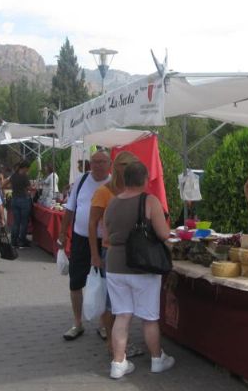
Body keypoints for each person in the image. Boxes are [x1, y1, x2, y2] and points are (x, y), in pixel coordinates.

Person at [103, 161, 174, 379]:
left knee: (122, 315)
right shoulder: (149, 201)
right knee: (149, 317)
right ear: (144, 180)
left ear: (124, 180)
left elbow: (106, 238)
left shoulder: (112, 203)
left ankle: (118, 362)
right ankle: (156, 359)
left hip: (115, 264)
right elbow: (163, 234)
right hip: (142, 264)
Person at [89, 151, 141, 356]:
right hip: (110, 251)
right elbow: (92, 224)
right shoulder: (105, 191)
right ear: (117, 166)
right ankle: (113, 345)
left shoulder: (133, 189)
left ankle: (119, 343)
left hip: (131, 252)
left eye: (133, 164)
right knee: (112, 302)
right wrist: (94, 254)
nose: (129, 168)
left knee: (123, 302)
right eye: (126, 164)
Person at [57, 151, 111, 341]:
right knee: (76, 281)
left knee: (104, 282)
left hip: (104, 242)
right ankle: (77, 323)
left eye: (102, 162)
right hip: (80, 239)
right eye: (94, 162)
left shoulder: (113, 184)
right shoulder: (81, 181)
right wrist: (63, 234)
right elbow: (69, 210)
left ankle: (103, 325)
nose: (98, 165)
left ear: (109, 164)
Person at [9, 161, 32, 248]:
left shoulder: (13, 176)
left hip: (14, 199)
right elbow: (29, 188)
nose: (28, 170)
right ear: (25, 168)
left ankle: (14, 241)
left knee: (16, 222)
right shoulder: (24, 177)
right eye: (28, 168)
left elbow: (7, 185)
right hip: (23, 200)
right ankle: (22, 240)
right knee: (24, 222)